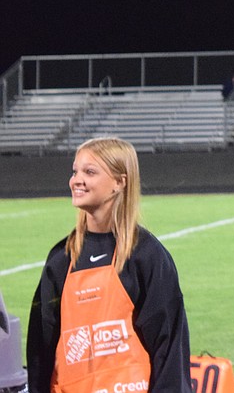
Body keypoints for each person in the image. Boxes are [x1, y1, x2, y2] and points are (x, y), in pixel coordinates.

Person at [27, 137, 190, 393]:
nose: (76, 180)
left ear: (119, 182)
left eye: (90, 172)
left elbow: (169, 349)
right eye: (75, 171)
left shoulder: (145, 255)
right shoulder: (61, 259)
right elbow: (40, 349)